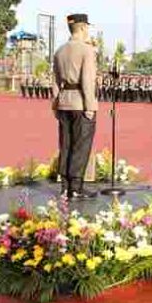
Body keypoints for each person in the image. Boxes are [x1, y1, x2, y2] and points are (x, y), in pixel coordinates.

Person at [52, 14, 99, 199]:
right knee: (81, 146)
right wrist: (89, 106)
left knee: (65, 144)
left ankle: (64, 186)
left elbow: (55, 80)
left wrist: (56, 103)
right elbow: (87, 80)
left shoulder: (60, 51)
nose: (88, 30)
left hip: (64, 102)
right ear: (82, 28)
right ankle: (76, 187)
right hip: (80, 102)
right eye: (87, 27)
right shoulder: (87, 50)